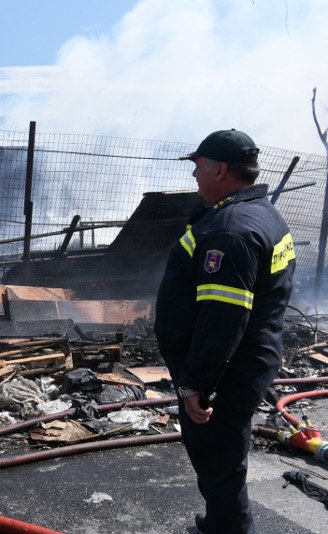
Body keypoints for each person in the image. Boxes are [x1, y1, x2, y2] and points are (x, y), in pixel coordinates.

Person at [154, 130, 295, 533]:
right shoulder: (263, 212)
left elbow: (223, 318)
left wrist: (196, 383)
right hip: (250, 357)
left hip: (225, 371)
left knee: (218, 459)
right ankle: (221, 520)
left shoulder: (229, 231)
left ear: (220, 170)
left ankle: (229, 527)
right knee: (225, 453)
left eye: (198, 166)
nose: (194, 175)